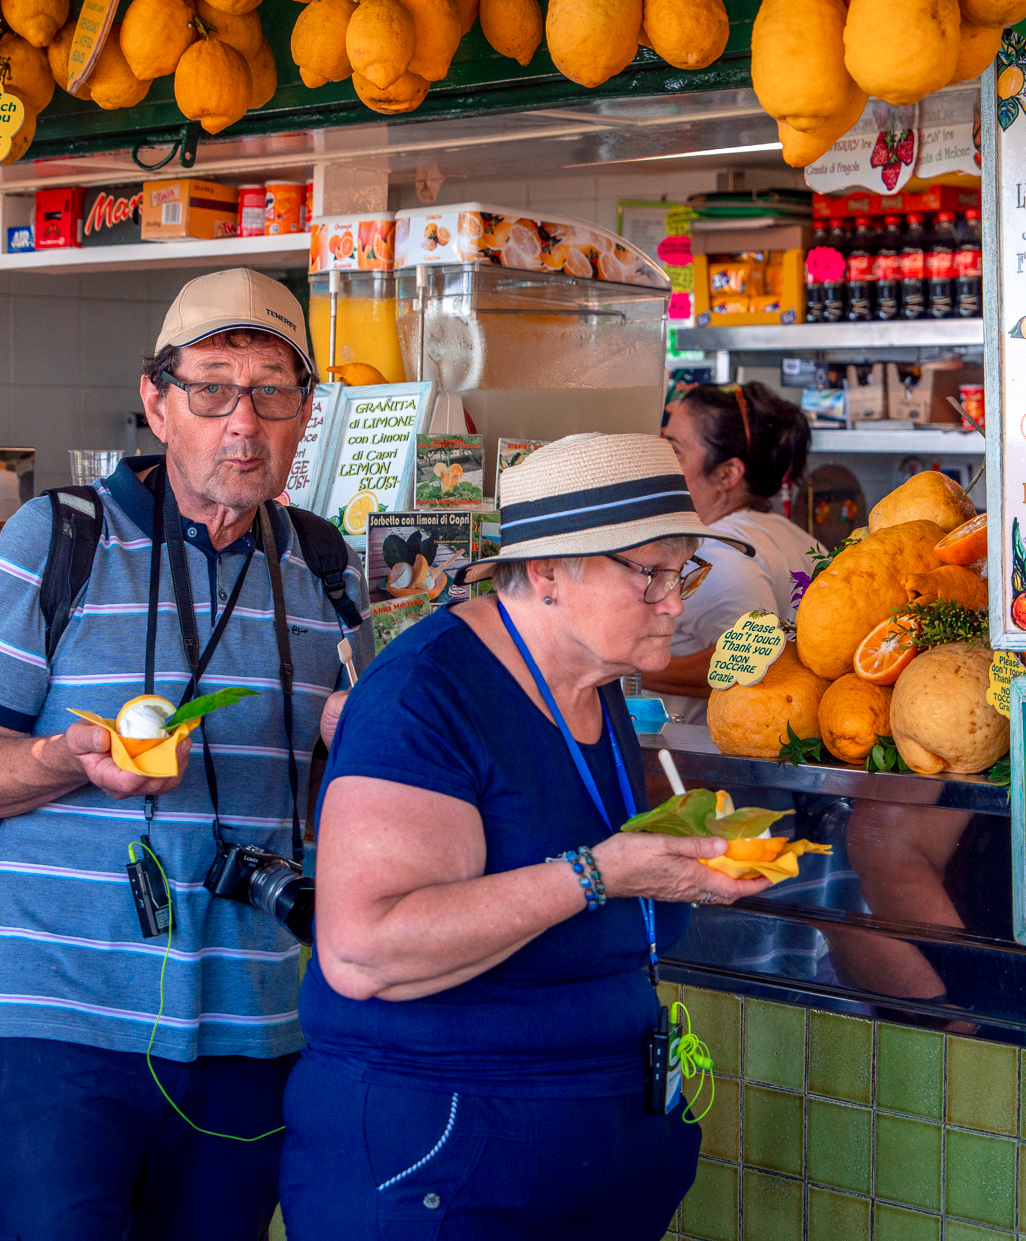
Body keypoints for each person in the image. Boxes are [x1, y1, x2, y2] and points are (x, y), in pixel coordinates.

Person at [0, 269, 368, 1241]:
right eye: (212, 385)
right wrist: (70, 757)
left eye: (273, 389)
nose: (242, 420)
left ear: (307, 413)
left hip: (251, 1030)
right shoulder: (60, 540)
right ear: (157, 401)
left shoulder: (324, 571)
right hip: (62, 1029)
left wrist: (366, 736)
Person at [281, 433, 770, 1240]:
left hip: (580, 1146)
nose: (675, 602)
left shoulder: (594, 678)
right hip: (444, 1157)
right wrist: (598, 874)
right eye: (649, 572)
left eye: (683, 571)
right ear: (546, 573)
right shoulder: (424, 696)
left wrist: (676, 857)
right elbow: (363, 947)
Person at [645, 381, 822, 723]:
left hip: (716, 761)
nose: (659, 463)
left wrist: (628, 667)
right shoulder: (797, 537)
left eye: (674, 451)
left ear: (727, 474)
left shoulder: (717, 550)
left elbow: (751, 666)